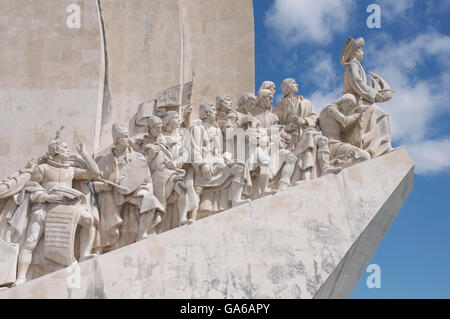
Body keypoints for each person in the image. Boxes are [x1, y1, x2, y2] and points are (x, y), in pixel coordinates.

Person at [14, 130, 100, 286]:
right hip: (45, 206)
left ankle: (84, 255)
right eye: (65, 148)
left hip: (66, 206)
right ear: (56, 151)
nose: (68, 150)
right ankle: (21, 277)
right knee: (30, 241)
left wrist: (85, 154)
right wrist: (46, 197)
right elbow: (31, 187)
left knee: (88, 219)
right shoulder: (43, 169)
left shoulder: (70, 170)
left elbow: (94, 172)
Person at [95, 123, 165, 251]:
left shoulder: (137, 157)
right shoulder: (105, 160)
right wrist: (103, 186)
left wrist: (146, 190)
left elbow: (147, 179)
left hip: (134, 192)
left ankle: (142, 234)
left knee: (151, 201)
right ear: (116, 139)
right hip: (114, 196)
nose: (128, 140)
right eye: (124, 137)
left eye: (127, 136)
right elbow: (94, 183)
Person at [188, 102, 251, 215]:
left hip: (218, 164)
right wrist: (202, 165)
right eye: (213, 109)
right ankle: (192, 215)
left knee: (240, 166)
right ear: (207, 113)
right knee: (197, 190)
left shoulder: (218, 131)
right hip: (203, 168)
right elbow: (194, 150)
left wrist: (225, 158)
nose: (216, 112)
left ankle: (236, 200)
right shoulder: (197, 129)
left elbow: (220, 151)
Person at [273, 78, 341, 182]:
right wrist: (288, 127)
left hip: (306, 132)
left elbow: (314, 117)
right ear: (287, 87)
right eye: (294, 83)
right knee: (299, 155)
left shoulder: (306, 102)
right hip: (291, 138)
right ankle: (300, 179)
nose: (297, 85)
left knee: (321, 140)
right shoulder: (279, 106)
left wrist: (304, 121)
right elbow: (275, 124)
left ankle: (325, 168)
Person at [340, 37, 393, 158]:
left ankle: (381, 146)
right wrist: (376, 96)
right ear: (355, 52)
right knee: (380, 114)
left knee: (380, 115)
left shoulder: (356, 66)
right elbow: (357, 83)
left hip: (361, 100)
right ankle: (378, 148)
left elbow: (362, 84)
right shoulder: (352, 65)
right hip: (356, 103)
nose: (362, 52)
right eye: (361, 50)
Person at [319, 94, 371, 168]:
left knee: (365, 157)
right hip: (331, 144)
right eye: (350, 105)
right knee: (363, 156)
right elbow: (345, 120)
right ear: (344, 101)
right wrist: (358, 114)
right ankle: (336, 165)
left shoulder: (334, 111)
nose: (350, 109)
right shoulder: (330, 108)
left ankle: (337, 164)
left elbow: (345, 128)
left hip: (336, 144)